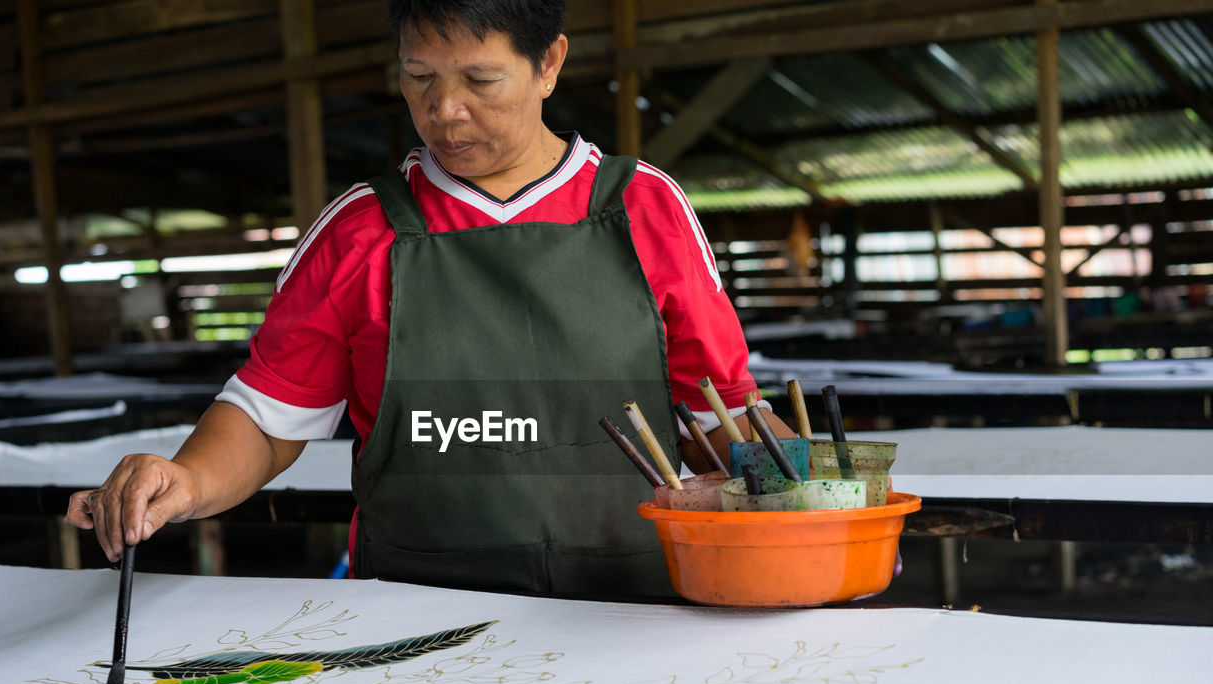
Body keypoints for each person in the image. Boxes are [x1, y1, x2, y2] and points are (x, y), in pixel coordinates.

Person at [68, 0, 793, 599]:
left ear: (549, 64)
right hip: (415, 614)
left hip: (629, 609)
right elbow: (267, 416)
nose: (444, 109)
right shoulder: (360, 231)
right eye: (419, 77)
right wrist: (187, 479)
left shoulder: (642, 208)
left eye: (480, 79)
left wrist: (809, 500)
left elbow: (719, 407)